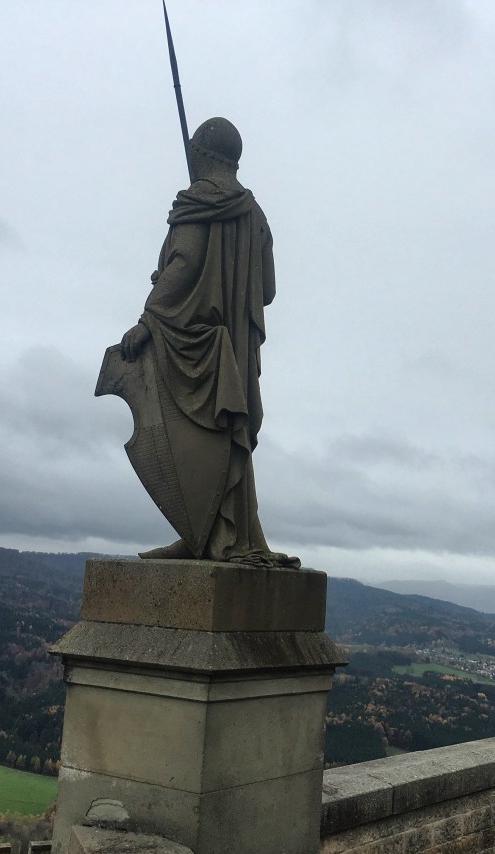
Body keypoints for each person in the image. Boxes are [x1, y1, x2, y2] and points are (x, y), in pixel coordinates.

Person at [111, 117, 296, 568]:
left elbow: (184, 263)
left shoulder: (196, 203)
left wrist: (148, 320)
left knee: (198, 432)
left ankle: (217, 537)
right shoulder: (255, 215)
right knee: (229, 437)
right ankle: (212, 535)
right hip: (234, 349)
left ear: (202, 155)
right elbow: (267, 290)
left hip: (194, 344)